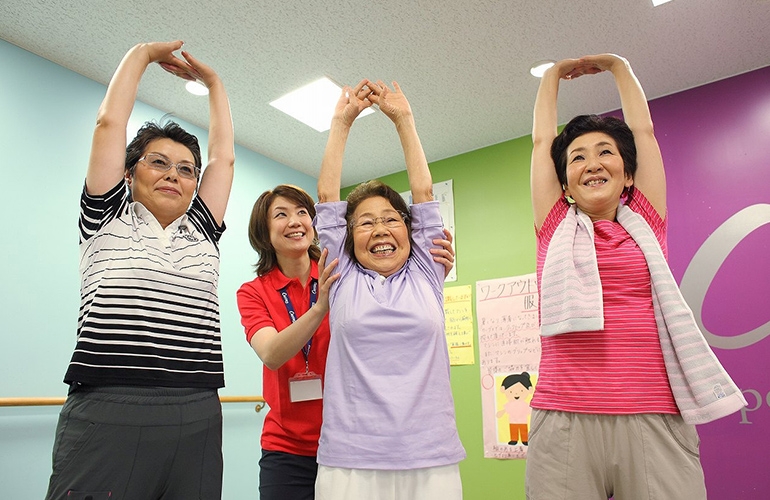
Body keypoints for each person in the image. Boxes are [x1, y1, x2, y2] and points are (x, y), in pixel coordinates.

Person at [527, 54, 746, 499]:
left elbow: (643, 132)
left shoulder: (647, 220)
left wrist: (619, 67)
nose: (592, 163)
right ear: (564, 183)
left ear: (628, 174)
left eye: (605, 152)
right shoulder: (552, 226)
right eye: (577, 158)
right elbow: (539, 142)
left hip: (654, 416)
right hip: (565, 417)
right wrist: (551, 77)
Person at [45, 41, 234, 500]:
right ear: (130, 174)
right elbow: (109, 122)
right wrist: (143, 54)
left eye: (187, 169)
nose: (175, 174)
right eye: (159, 163)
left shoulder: (202, 230)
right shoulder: (106, 216)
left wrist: (214, 84)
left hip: (199, 410)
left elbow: (223, 158)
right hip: (111, 404)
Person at [236, 185, 456, 500]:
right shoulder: (254, 291)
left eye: (302, 213)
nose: (296, 222)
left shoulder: (345, 271)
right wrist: (320, 307)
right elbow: (271, 354)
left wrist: (433, 270)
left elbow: (394, 275)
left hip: (353, 441)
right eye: (281, 215)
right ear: (264, 230)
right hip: (288, 446)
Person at [313, 79, 466, 500]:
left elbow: (423, 193)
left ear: (409, 229)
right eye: (365, 221)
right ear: (349, 237)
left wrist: (404, 120)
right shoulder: (341, 276)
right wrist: (342, 123)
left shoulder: (426, 271)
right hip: (351, 461)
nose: (379, 229)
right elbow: (327, 196)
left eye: (390, 219)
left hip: (430, 457)